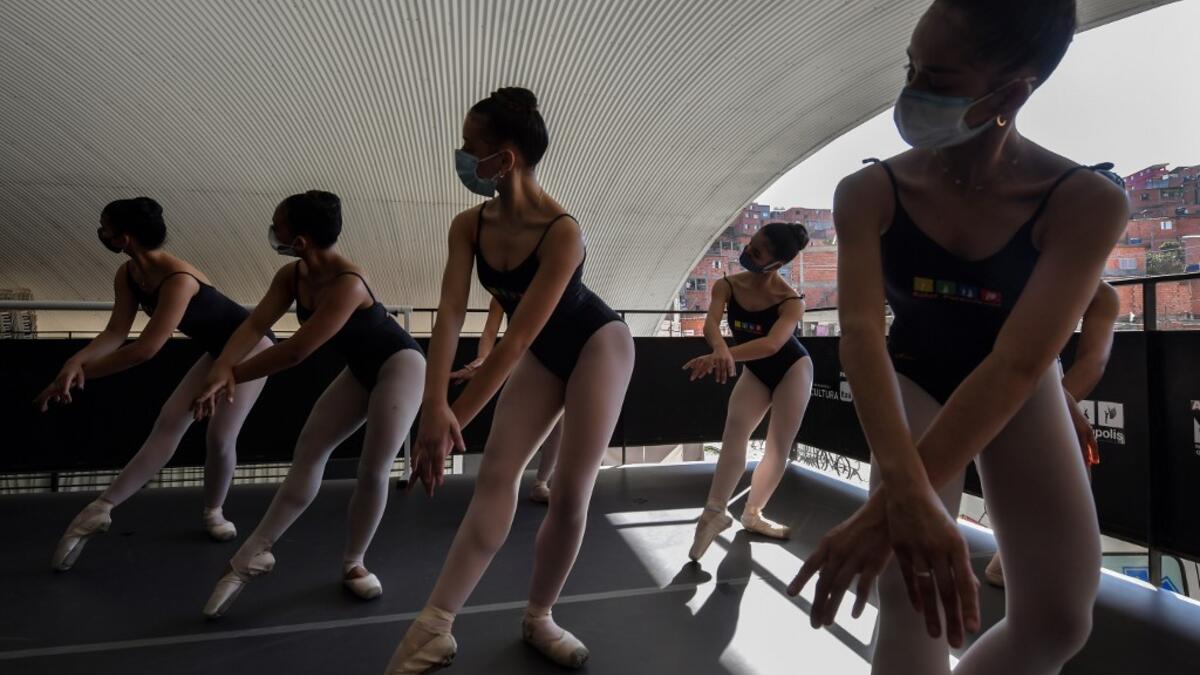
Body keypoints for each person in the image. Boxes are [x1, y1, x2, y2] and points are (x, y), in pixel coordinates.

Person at [785, 2, 1130, 673]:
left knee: (1059, 619)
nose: (913, 92)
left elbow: (1018, 362)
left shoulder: (1085, 201)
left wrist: (888, 508)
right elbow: (861, 335)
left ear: (1011, 94)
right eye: (910, 68)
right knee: (912, 597)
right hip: (913, 374)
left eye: (938, 79)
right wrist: (906, 494)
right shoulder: (869, 191)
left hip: (1019, 387)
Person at [384, 87, 634, 673]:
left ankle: (539, 617)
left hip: (598, 344)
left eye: (470, 146)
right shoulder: (468, 225)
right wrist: (434, 405)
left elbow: (515, 339)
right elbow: (450, 314)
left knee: (570, 492)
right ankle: (434, 627)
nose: (462, 156)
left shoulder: (562, 232)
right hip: (543, 353)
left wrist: (449, 427)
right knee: (496, 475)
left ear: (505, 158)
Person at [194, 190, 425, 618]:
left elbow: (297, 351)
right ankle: (256, 552)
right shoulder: (292, 275)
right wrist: (223, 364)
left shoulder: (349, 283)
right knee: (308, 452)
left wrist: (232, 375)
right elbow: (256, 324)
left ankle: (354, 563)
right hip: (360, 369)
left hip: (400, 365)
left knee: (373, 469)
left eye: (278, 225)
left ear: (300, 239)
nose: (273, 231)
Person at [37, 198, 272, 571]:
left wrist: (84, 374)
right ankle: (100, 509)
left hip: (251, 350)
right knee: (168, 422)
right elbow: (116, 333)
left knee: (220, 436)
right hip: (219, 350)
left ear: (125, 238)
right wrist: (74, 362)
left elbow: (145, 350)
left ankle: (213, 512)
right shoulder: (128, 274)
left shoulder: (179, 280)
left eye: (105, 228)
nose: (101, 234)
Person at [683, 222, 814, 560]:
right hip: (756, 371)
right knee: (735, 433)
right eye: (749, 246)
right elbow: (711, 324)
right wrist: (719, 349)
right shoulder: (726, 285)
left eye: (756, 253)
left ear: (776, 263)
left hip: (792, 369)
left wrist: (723, 355)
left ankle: (753, 513)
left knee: (777, 446)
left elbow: (771, 345)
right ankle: (714, 511)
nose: (747, 254)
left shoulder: (791, 301)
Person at [985, 280, 1119, 587]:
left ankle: (1020, 557)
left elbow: (1093, 362)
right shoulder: (1021, 270)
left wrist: (1058, 408)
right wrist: (1060, 408)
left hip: (1037, 377)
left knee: (1072, 453)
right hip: (983, 368)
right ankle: (1016, 557)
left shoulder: (1101, 295)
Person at [451, 297, 562, 504]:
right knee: (510, 422)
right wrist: (483, 358)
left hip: (553, 357)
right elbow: (490, 331)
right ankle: (497, 483)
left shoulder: (550, 285)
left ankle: (541, 483)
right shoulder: (502, 295)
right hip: (523, 358)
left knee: (558, 422)